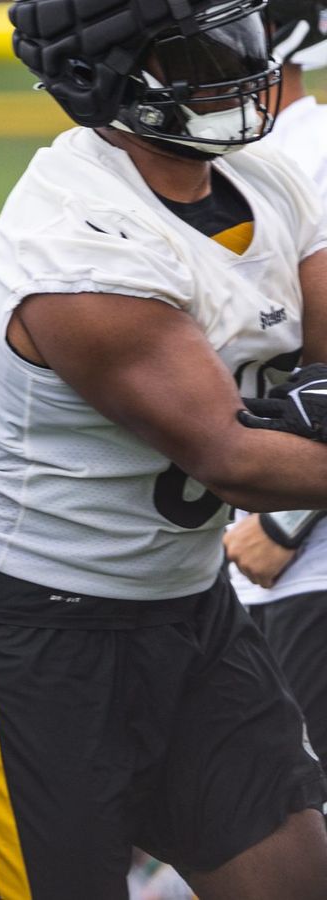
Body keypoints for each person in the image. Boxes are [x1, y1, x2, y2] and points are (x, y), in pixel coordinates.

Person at [0, 0, 327, 895]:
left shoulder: (267, 181)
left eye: (240, 34)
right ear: (112, 79)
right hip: (20, 623)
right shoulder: (79, 245)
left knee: (295, 878)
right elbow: (235, 457)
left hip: (185, 602)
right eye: (200, 51)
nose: (242, 64)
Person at [222, 0, 327, 773]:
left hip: (298, 560)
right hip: (227, 562)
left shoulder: (313, 153)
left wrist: (285, 520)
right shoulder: (230, 159)